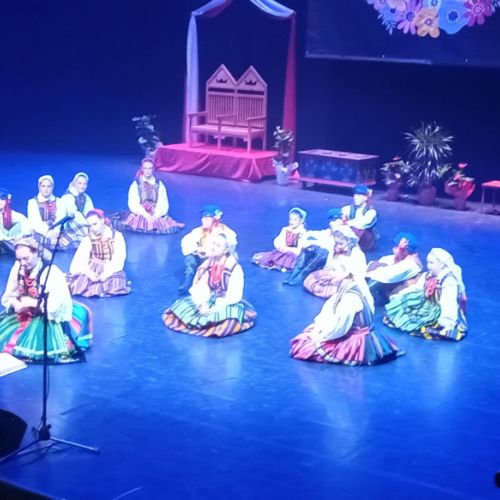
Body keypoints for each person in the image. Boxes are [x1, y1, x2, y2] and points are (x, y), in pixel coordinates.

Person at [291, 256, 403, 365]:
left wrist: (320, 336)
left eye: (333, 270)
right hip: (350, 331)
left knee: (304, 347)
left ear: (345, 273)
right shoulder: (349, 288)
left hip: (356, 339)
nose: (329, 273)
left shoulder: (350, 298)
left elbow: (339, 328)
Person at [0, 238, 92, 363]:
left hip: (46, 316)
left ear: (36, 253)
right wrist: (15, 303)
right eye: (19, 259)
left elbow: (55, 305)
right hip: (24, 314)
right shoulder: (18, 268)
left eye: (26, 258)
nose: (22, 263)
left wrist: (33, 303)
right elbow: (9, 295)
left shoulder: (50, 272)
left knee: (40, 343)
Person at [163, 233, 256, 337]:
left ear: (226, 250)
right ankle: (203, 323)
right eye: (213, 243)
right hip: (209, 298)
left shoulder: (234, 268)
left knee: (230, 319)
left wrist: (216, 307)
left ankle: (212, 325)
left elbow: (234, 296)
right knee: (180, 307)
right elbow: (201, 286)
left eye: (218, 245)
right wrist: (202, 303)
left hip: (226, 302)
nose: (214, 247)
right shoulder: (207, 265)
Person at [384, 248, 467, 341]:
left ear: (442, 264)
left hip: (439, 309)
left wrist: (447, 320)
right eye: (428, 263)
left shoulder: (448, 281)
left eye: (431, 263)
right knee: (402, 312)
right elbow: (416, 288)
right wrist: (401, 295)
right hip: (426, 304)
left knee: (433, 326)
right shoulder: (428, 275)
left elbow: (448, 302)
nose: (428, 266)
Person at [67, 209, 131, 298]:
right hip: (92, 268)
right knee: (81, 282)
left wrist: (107, 273)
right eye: (90, 226)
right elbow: (79, 259)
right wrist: (88, 273)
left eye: (95, 224)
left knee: (115, 282)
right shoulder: (88, 239)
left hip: (110, 267)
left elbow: (119, 258)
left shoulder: (117, 236)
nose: (92, 228)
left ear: (102, 220)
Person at [178, 204, 237, 294]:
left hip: (217, 260)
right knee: (190, 259)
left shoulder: (226, 232)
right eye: (203, 218)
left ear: (215, 220)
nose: (203, 220)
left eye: (206, 218)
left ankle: (219, 284)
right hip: (202, 259)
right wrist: (196, 250)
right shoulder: (198, 231)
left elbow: (230, 248)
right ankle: (188, 281)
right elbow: (186, 242)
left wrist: (211, 254)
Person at [119, 158, 184, 234]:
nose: (147, 171)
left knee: (160, 224)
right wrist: (145, 215)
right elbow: (133, 203)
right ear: (142, 169)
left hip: (155, 211)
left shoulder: (159, 184)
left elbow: (163, 202)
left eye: (149, 168)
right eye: (145, 168)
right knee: (139, 223)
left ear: (153, 169)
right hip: (141, 212)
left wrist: (156, 215)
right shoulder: (136, 184)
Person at [283, 208, 343, 286]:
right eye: (330, 221)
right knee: (308, 249)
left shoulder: (344, 233)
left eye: (334, 221)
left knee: (322, 252)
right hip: (324, 258)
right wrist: (306, 236)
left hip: (335, 263)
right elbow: (316, 234)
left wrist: (312, 242)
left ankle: (302, 276)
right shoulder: (330, 231)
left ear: (341, 220)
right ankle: (295, 274)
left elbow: (329, 246)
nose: (331, 223)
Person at [303, 225, 367, 298]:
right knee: (310, 280)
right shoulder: (335, 249)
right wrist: (328, 272)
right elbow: (330, 263)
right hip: (332, 273)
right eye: (337, 243)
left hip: (346, 277)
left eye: (341, 244)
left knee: (342, 286)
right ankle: (325, 289)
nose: (338, 246)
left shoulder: (356, 252)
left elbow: (358, 271)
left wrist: (343, 275)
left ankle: (335, 292)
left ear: (349, 241)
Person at [366, 232, 423, 304]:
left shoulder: (410, 264)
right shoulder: (398, 258)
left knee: (374, 280)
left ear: (405, 251)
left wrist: (367, 273)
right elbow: (379, 262)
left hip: (396, 300)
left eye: (396, 247)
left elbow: (386, 276)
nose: (393, 249)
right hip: (385, 292)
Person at [252, 207, 307, 272]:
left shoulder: (301, 233)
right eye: (290, 219)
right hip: (284, 251)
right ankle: (278, 265)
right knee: (275, 257)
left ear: (301, 221)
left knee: (290, 260)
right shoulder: (286, 229)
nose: (292, 222)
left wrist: (290, 250)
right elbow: (279, 239)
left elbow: (300, 248)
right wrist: (281, 246)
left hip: (293, 254)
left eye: (295, 220)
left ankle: (285, 266)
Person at [27, 175, 67, 248]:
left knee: (67, 241)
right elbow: (35, 222)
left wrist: (56, 233)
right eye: (43, 186)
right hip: (41, 232)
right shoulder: (32, 202)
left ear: (52, 187)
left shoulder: (59, 201)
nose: (46, 189)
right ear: (39, 187)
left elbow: (61, 218)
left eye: (49, 186)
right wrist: (49, 234)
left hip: (57, 233)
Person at [59, 172, 94, 248]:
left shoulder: (86, 197)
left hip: (80, 223)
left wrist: (92, 222)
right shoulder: (68, 196)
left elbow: (90, 212)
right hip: (67, 224)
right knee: (88, 234)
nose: (82, 186)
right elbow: (75, 215)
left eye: (84, 184)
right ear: (74, 184)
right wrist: (87, 224)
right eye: (80, 183)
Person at [341, 184, 377, 252]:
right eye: (355, 195)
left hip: (364, 241)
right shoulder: (347, 209)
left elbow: (362, 225)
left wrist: (347, 223)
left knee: (359, 230)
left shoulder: (371, 212)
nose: (355, 197)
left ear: (365, 198)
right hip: (348, 235)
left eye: (359, 196)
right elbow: (341, 219)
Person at [0, 189, 31, 255]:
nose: (0, 202)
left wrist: (18, 237)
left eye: (2, 199)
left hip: (12, 243)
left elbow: (27, 225)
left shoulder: (12, 214)